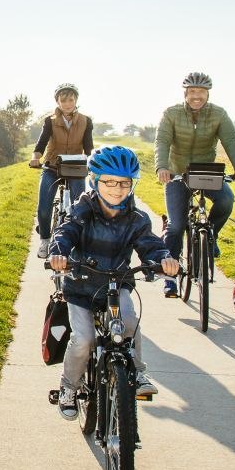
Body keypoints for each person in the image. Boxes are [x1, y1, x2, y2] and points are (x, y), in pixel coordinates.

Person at [46, 145, 180, 419]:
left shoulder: (137, 218)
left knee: (129, 321)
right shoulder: (82, 210)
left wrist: (164, 258)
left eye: (124, 183)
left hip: (116, 285)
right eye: (109, 182)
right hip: (81, 286)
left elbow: (150, 244)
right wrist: (58, 253)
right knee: (83, 340)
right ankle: (69, 387)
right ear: (95, 180)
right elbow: (66, 231)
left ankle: (139, 372)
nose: (117, 189)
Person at [154, 71, 235, 297]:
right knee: (176, 226)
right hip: (178, 175)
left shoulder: (218, 114)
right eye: (193, 92)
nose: (197, 96)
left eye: (201, 92)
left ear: (208, 93)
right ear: (186, 93)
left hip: (206, 173)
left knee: (226, 200)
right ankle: (170, 277)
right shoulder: (172, 113)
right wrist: (162, 167)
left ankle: (211, 235)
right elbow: (162, 141)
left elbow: (231, 140)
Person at [29, 82, 94, 259]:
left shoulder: (86, 121)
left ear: (76, 100)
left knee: (78, 207)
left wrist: (94, 163)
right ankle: (44, 239)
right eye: (63, 100)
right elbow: (41, 142)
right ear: (57, 102)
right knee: (44, 206)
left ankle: (76, 240)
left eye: (71, 100)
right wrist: (36, 157)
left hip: (75, 167)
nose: (67, 104)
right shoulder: (50, 121)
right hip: (52, 166)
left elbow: (88, 147)